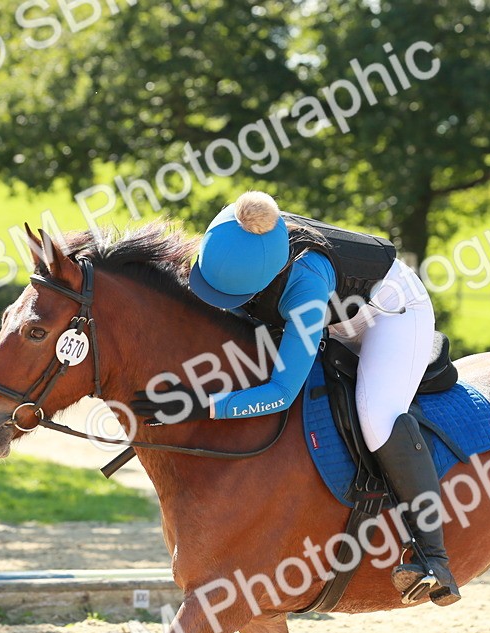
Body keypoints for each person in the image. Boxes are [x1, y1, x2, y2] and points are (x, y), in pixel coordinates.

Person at [131, 191, 458, 607]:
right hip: (331, 307)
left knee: (376, 416)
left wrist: (199, 403)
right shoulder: (238, 232)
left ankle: (434, 555)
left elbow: (281, 395)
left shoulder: (304, 285)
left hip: (389, 315)